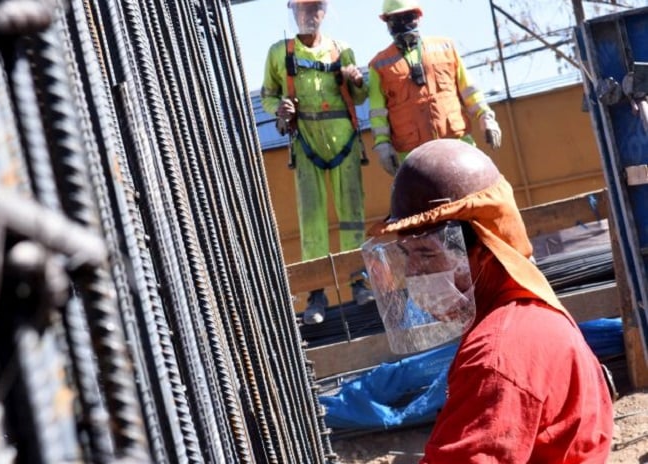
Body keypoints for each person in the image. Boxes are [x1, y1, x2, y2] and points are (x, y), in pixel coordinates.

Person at [364, 139, 614, 462]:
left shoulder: (496, 356)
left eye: (426, 254)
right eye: (407, 255)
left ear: (483, 249)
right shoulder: (524, 309)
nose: (412, 274)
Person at [261, 0, 375, 324]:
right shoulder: (279, 53)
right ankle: (317, 293)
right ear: (294, 12)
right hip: (307, 143)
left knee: (352, 214)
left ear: (324, 12)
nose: (309, 15)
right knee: (311, 219)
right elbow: (268, 95)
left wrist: (356, 81)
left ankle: (358, 281)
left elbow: (362, 97)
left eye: (315, 9)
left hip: (345, 142)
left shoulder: (342, 50)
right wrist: (279, 109)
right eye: (304, 9)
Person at [368, 0, 502, 176]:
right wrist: (383, 144)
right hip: (414, 155)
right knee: (424, 201)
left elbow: (468, 89)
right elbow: (378, 112)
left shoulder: (445, 47)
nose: (403, 23)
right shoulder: (379, 65)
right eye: (396, 19)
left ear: (418, 16)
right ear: (387, 22)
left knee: (476, 190)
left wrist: (485, 116)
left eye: (408, 17)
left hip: (457, 144)